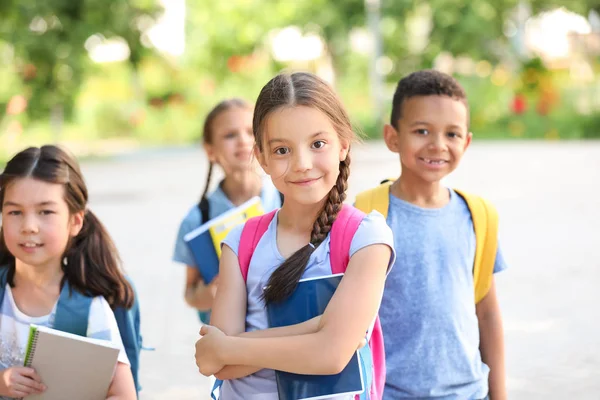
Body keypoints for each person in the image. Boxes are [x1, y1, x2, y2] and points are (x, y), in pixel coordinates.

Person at [194, 72, 395, 400]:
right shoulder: (241, 241)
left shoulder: (366, 238)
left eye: (318, 144)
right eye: (283, 150)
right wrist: (315, 329)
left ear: (343, 144)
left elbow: (330, 356)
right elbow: (218, 363)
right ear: (261, 158)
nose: (302, 164)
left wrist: (233, 347)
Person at [356, 69, 507, 400]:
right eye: (422, 131)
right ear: (393, 137)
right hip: (389, 393)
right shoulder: (367, 216)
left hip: (469, 393)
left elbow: (487, 313)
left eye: (452, 134)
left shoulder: (478, 215)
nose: (438, 145)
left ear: (466, 142)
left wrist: (499, 395)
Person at [0, 145, 136, 400]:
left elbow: (123, 394)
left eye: (45, 212)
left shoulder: (89, 310)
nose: (29, 226)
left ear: (75, 221)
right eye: (15, 212)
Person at [172, 99, 282, 324]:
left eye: (251, 132)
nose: (243, 141)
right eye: (230, 135)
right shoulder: (197, 220)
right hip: (229, 340)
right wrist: (213, 292)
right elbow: (191, 294)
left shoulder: (288, 199)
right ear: (210, 150)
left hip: (285, 332)